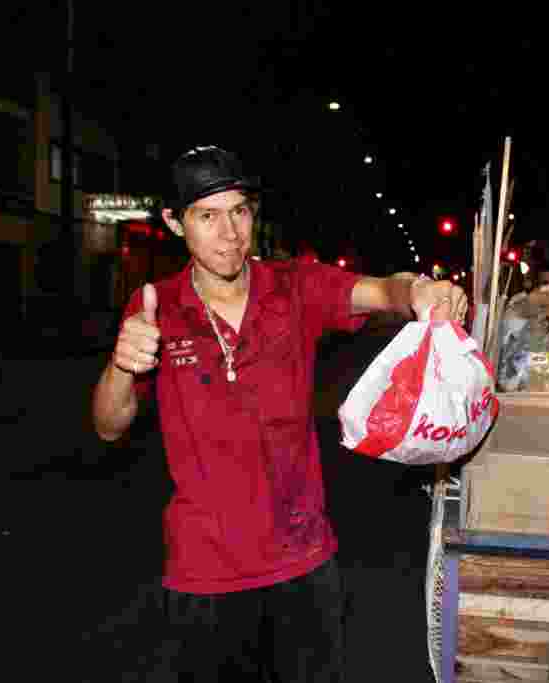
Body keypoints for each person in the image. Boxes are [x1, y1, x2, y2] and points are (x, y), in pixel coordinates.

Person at [90, 145, 468, 682]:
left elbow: (382, 291)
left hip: (303, 562)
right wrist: (122, 364)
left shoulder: (293, 288)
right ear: (176, 223)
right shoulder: (156, 306)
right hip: (203, 572)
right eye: (208, 216)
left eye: (239, 211)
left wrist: (422, 290)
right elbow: (108, 425)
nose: (230, 233)